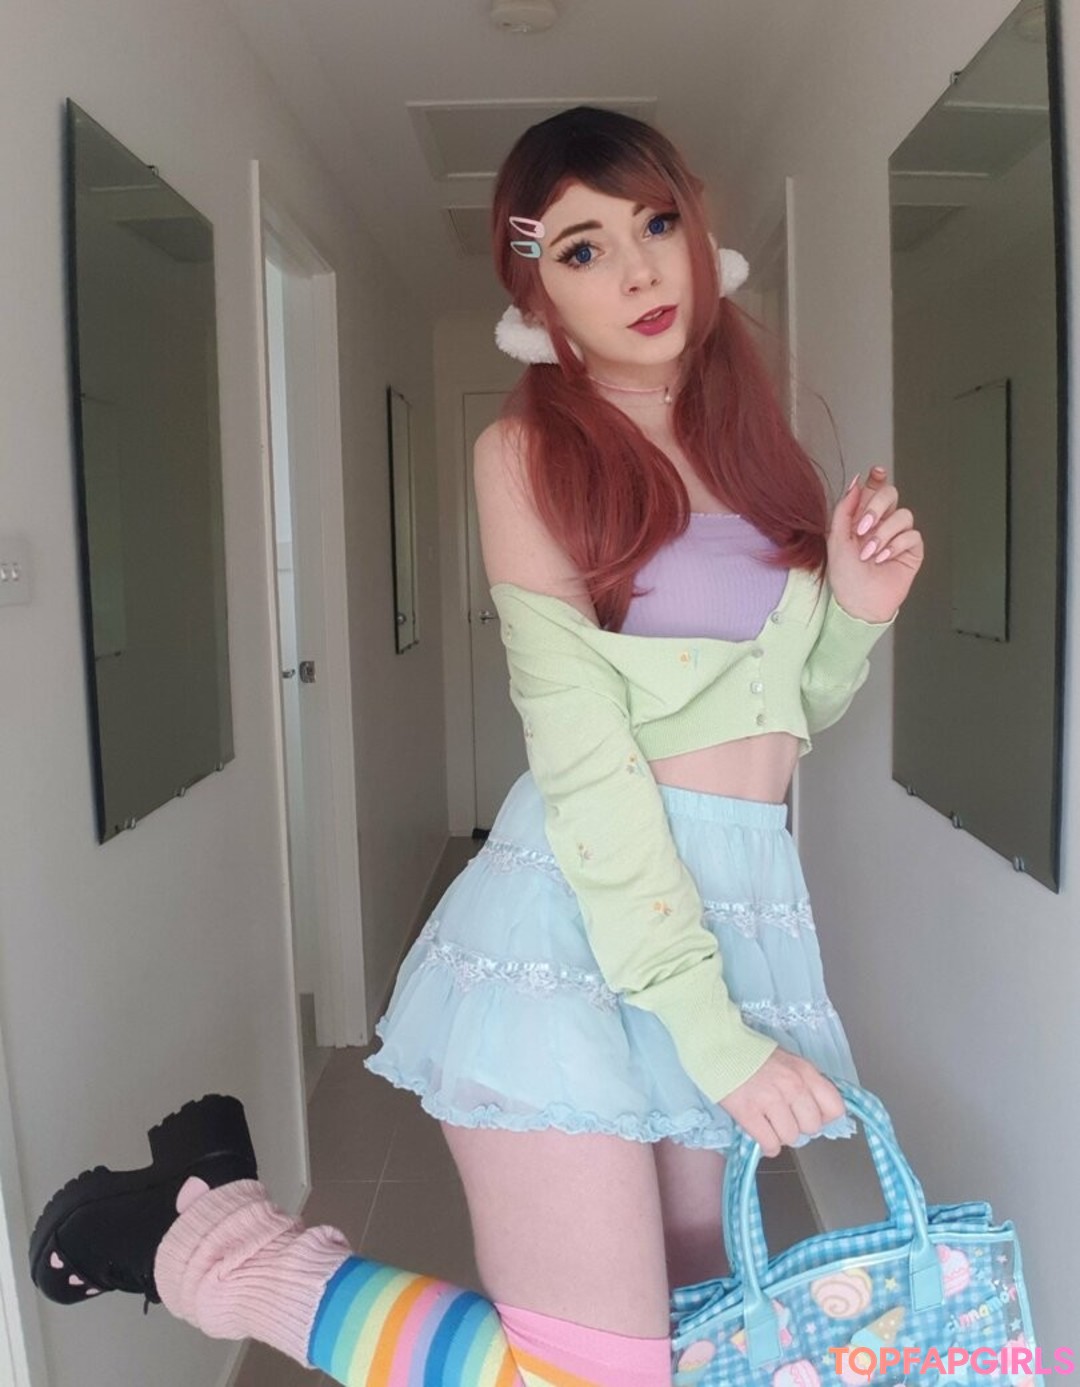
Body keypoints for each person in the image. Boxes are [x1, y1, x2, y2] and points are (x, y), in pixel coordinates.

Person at [28, 106, 922, 1386]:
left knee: (691, 1338)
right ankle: (200, 1242)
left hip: (738, 913)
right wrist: (711, 1032)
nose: (638, 269)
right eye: (582, 248)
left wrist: (861, 612)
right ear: (535, 292)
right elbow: (586, 761)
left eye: (656, 222)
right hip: (584, 918)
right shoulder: (528, 455)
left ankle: (199, 1207)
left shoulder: (760, 451)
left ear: (698, 231)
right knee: (601, 1372)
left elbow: (792, 715)